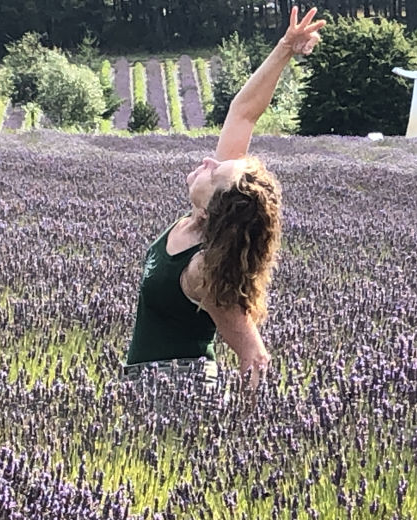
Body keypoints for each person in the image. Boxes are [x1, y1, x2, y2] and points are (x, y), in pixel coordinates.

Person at [123, 7, 326, 397]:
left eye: (216, 172)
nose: (209, 161)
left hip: (179, 396)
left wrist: (243, 428)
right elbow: (244, 113)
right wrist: (284, 48)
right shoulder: (202, 220)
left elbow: (254, 354)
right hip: (146, 390)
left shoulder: (205, 267)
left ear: (218, 209)